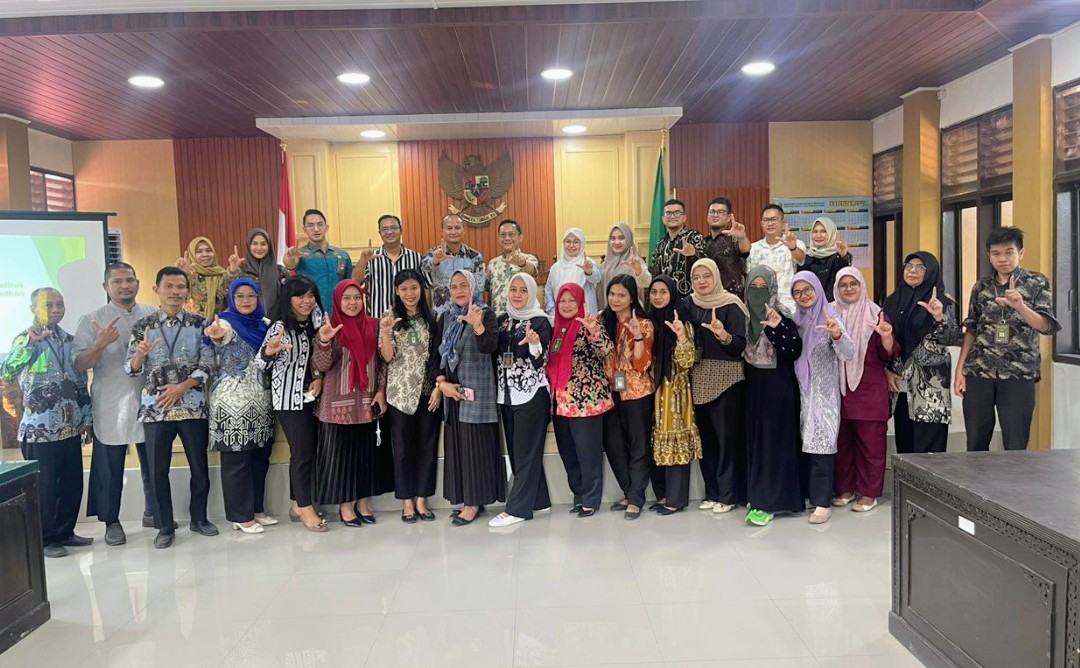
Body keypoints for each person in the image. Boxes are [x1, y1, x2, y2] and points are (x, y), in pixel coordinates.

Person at [125, 267, 217, 549]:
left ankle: (199, 518)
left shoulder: (200, 324)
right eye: (169, 286)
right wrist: (139, 356)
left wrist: (182, 387)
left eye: (180, 286)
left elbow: (208, 364)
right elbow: (130, 369)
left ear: (187, 290)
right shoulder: (143, 326)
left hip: (192, 406)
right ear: (157, 290)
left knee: (199, 467)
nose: (175, 292)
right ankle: (164, 526)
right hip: (156, 409)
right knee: (157, 471)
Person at [2, 288, 93, 558]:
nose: (55, 309)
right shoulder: (25, 339)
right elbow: (7, 371)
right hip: (39, 431)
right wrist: (29, 344)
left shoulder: (70, 341)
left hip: (70, 427)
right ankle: (45, 539)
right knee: (45, 488)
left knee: (71, 484)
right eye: (48, 305)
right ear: (33, 309)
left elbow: (80, 384)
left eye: (60, 304)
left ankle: (65, 532)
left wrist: (86, 419)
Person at [74, 262, 159, 546]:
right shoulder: (92, 319)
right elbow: (79, 363)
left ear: (138, 283)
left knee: (154, 461)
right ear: (106, 286)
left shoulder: (153, 314)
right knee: (109, 466)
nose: (125, 286)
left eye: (129, 280)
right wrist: (99, 343)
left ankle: (154, 512)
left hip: (149, 399)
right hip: (110, 401)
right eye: (118, 281)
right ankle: (111, 521)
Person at [956, 227, 1060, 451]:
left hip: (1018, 372)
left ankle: (1013, 477)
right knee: (975, 441)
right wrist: (960, 370)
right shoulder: (981, 287)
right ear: (989, 255)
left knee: (1015, 442)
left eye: (1009, 252)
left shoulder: (1037, 283)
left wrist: (1021, 306)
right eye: (996, 253)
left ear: (1021, 253)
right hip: (979, 371)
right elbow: (971, 329)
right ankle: (976, 476)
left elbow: (1046, 326)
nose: (1002, 258)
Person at [312, 280, 390, 527]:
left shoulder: (374, 326)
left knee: (366, 457)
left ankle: (363, 503)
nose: (352, 302)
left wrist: (381, 391)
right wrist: (324, 341)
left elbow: (383, 362)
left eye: (357, 297)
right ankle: (346, 506)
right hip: (337, 406)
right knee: (342, 459)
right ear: (337, 301)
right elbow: (321, 365)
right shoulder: (330, 328)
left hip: (367, 402)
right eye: (346, 298)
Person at [203, 279, 276, 533]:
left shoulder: (264, 324)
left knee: (259, 457)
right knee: (237, 460)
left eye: (251, 295)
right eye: (240, 296)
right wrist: (216, 334)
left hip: (261, 400)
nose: (246, 300)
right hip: (232, 403)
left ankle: (256, 508)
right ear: (232, 299)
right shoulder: (226, 322)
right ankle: (240, 516)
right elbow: (219, 335)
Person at [257, 275, 327, 532]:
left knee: (310, 451)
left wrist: (318, 377)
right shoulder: (279, 327)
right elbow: (259, 363)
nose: (306, 301)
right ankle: (305, 508)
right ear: (289, 298)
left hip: (313, 396)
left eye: (310, 296)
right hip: (288, 398)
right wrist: (269, 352)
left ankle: (297, 504)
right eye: (300, 296)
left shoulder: (317, 322)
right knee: (302, 451)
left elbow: (319, 358)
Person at [434, 270, 504, 525]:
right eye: (454, 286)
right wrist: (442, 383)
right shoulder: (446, 317)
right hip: (452, 394)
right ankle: (467, 499)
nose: (459, 291)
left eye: (464, 285)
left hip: (477, 395)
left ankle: (473, 503)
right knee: (459, 448)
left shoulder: (485, 313)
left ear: (473, 288)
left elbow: (489, 347)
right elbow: (436, 356)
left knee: (476, 448)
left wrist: (478, 326)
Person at [830, 268, 898, 513]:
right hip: (837, 388)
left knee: (871, 445)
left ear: (862, 285)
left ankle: (869, 493)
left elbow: (888, 354)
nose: (849, 288)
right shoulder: (829, 312)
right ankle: (845, 489)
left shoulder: (876, 314)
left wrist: (887, 337)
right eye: (843, 285)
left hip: (868, 389)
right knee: (842, 443)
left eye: (854, 283)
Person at [489, 273, 554, 528]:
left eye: (523, 290)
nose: (517, 294)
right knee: (517, 453)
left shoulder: (540, 321)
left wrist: (535, 345)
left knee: (526, 453)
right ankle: (539, 500)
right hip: (506, 395)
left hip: (531, 394)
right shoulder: (501, 320)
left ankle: (517, 509)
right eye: (513, 289)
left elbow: (543, 359)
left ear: (532, 293)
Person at [684, 258, 748, 513]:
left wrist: (723, 335)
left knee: (726, 440)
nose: (701, 281)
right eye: (696, 277)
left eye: (706, 276)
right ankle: (712, 493)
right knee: (707, 440)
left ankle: (728, 495)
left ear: (716, 277)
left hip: (727, 378)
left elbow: (740, 346)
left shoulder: (731, 304)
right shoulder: (689, 303)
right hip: (698, 376)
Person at [790, 271, 854, 525]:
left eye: (808, 290)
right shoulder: (795, 320)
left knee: (822, 447)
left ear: (817, 289)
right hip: (800, 394)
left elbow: (848, 353)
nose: (803, 295)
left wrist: (836, 334)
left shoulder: (830, 317)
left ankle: (822, 503)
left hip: (823, 397)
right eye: (797, 292)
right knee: (804, 446)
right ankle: (808, 495)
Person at [742, 267, 803, 526]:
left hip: (778, 391)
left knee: (774, 445)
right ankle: (757, 494)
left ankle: (768, 503)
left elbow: (794, 350)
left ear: (773, 289)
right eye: (753, 287)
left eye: (763, 287)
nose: (758, 293)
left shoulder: (782, 315)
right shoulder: (743, 317)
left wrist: (777, 329)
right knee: (756, 444)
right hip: (752, 391)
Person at [882, 252, 961, 454]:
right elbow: (883, 339)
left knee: (929, 448)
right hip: (900, 382)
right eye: (909, 266)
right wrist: (886, 370)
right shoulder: (892, 301)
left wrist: (939, 317)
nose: (913, 271)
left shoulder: (942, 301)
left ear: (931, 271)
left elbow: (951, 338)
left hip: (931, 387)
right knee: (905, 442)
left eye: (920, 267)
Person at [380, 269, 442, 523]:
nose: (409, 293)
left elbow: (436, 358)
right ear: (396, 291)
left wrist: (438, 387)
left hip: (428, 393)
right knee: (403, 450)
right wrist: (386, 332)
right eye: (404, 289)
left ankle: (422, 500)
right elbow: (387, 357)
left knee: (427, 447)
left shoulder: (432, 320)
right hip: (399, 394)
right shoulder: (391, 320)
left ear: (421, 290)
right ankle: (407, 501)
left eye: (414, 288)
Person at [547, 283, 614, 518]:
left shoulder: (588, 325)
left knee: (588, 453)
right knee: (568, 453)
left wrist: (594, 332)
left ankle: (591, 499)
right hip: (560, 403)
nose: (566, 305)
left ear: (581, 303)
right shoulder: (556, 329)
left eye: (572, 301)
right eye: (562, 301)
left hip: (586, 403)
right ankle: (579, 494)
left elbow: (606, 350)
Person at [601, 275, 655, 520]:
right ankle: (629, 490)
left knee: (638, 445)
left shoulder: (643, 324)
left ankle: (636, 497)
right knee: (614, 445)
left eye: (621, 295)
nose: (615, 299)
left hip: (637, 392)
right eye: (612, 294)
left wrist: (637, 336)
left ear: (632, 298)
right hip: (610, 392)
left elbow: (642, 363)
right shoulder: (603, 321)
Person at [646, 276, 701, 515]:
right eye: (654, 292)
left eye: (663, 292)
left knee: (675, 440)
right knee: (656, 440)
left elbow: (687, 361)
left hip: (674, 391)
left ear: (672, 294)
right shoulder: (649, 320)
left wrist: (681, 337)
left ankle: (676, 499)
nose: (658, 297)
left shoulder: (681, 320)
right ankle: (663, 494)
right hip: (653, 389)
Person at [283, 209, 353, 315]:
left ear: (326, 227)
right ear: (304, 230)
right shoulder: (301, 254)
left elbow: (350, 283)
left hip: (339, 313)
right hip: (311, 312)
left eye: (320, 224)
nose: (316, 229)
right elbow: (289, 263)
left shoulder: (342, 255)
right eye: (310, 225)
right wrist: (288, 257)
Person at [354, 214, 423, 318]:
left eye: (394, 228)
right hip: (378, 318)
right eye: (385, 229)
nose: (390, 232)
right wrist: (363, 261)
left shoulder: (416, 257)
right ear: (380, 233)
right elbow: (356, 282)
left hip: (409, 320)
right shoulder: (370, 258)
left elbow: (425, 288)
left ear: (401, 230)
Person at [422, 214, 486, 318]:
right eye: (449, 228)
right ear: (442, 231)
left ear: (463, 231)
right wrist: (435, 261)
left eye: (457, 228)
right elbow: (424, 273)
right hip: (441, 315)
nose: (453, 232)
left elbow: (479, 288)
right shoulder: (432, 254)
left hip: (468, 315)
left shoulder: (475, 257)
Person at [748, 204, 806, 313]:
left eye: (774, 219)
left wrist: (792, 247)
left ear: (783, 222)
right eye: (766, 220)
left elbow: (800, 259)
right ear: (761, 223)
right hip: (761, 308)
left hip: (789, 307)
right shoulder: (753, 248)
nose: (770, 223)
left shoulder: (795, 244)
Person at [649, 199, 705, 300]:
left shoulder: (694, 237)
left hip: (690, 299)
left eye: (677, 212)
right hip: (665, 300)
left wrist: (694, 255)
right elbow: (656, 274)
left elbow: (705, 265)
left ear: (684, 217)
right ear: (663, 218)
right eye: (668, 213)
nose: (672, 216)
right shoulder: (660, 244)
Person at [487, 220, 539, 317]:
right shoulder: (492, 264)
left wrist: (522, 263)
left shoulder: (529, 259)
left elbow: (531, 270)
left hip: (523, 319)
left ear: (520, 237)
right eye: (503, 235)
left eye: (511, 234)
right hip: (498, 320)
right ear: (499, 238)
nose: (507, 238)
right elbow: (489, 294)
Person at [178, 236, 238, 319]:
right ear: (192, 254)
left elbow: (234, 297)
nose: (205, 254)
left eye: (208, 250)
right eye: (199, 252)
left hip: (218, 324)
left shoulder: (222, 275)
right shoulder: (189, 276)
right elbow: (176, 297)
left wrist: (233, 270)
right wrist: (181, 275)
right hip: (192, 324)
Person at [545, 228, 600, 317]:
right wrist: (553, 314)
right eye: (568, 241)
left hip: (585, 316)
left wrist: (589, 273)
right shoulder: (555, 268)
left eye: (576, 242)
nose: (571, 245)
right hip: (561, 316)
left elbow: (596, 279)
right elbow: (549, 294)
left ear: (582, 244)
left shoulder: (587, 263)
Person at [703, 197, 750, 297]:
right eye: (712, 212)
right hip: (707, 296)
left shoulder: (733, 238)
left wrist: (742, 238)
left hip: (731, 297)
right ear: (707, 216)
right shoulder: (703, 241)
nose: (715, 215)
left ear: (729, 217)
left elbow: (745, 250)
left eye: (720, 212)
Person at [597, 222, 651, 310]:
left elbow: (646, 283)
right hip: (608, 312)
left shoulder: (635, 261)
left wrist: (638, 271)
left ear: (629, 239)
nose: (617, 242)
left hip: (630, 313)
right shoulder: (605, 264)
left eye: (621, 238)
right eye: (613, 238)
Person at [238, 227, 289, 314]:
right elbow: (229, 297)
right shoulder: (241, 272)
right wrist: (233, 271)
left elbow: (289, 297)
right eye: (255, 244)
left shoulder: (280, 271)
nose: (259, 248)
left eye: (263, 244)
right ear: (249, 246)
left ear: (269, 246)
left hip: (278, 319)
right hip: (248, 320)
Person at [801, 217, 853, 302]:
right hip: (810, 306)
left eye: (823, 231)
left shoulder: (839, 257)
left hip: (834, 307)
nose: (818, 235)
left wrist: (843, 256)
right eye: (815, 231)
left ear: (831, 233)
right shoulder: (806, 258)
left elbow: (845, 276)